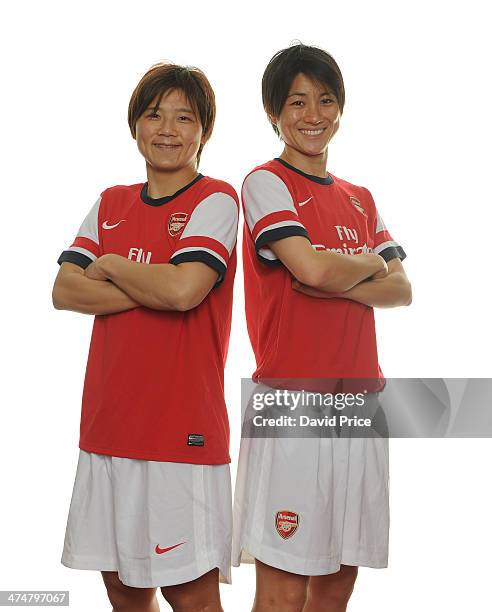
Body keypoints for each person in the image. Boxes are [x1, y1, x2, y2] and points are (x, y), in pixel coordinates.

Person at [52, 62, 239, 612]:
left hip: (180, 436)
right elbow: (65, 289)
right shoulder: (111, 202)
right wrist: (157, 281)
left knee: (191, 595)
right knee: (124, 590)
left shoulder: (217, 199)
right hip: (107, 428)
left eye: (185, 117)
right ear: (134, 124)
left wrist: (108, 264)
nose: (168, 129)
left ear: (203, 130)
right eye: (155, 114)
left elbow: (184, 292)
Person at [233, 44, 411, 612]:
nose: (314, 114)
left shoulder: (360, 199)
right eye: (298, 102)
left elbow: (401, 289)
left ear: (341, 107)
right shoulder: (266, 183)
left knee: (337, 578)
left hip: (361, 400)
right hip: (293, 401)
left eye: (326, 100)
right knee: (284, 585)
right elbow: (308, 268)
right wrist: (365, 263)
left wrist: (339, 272)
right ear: (274, 114)